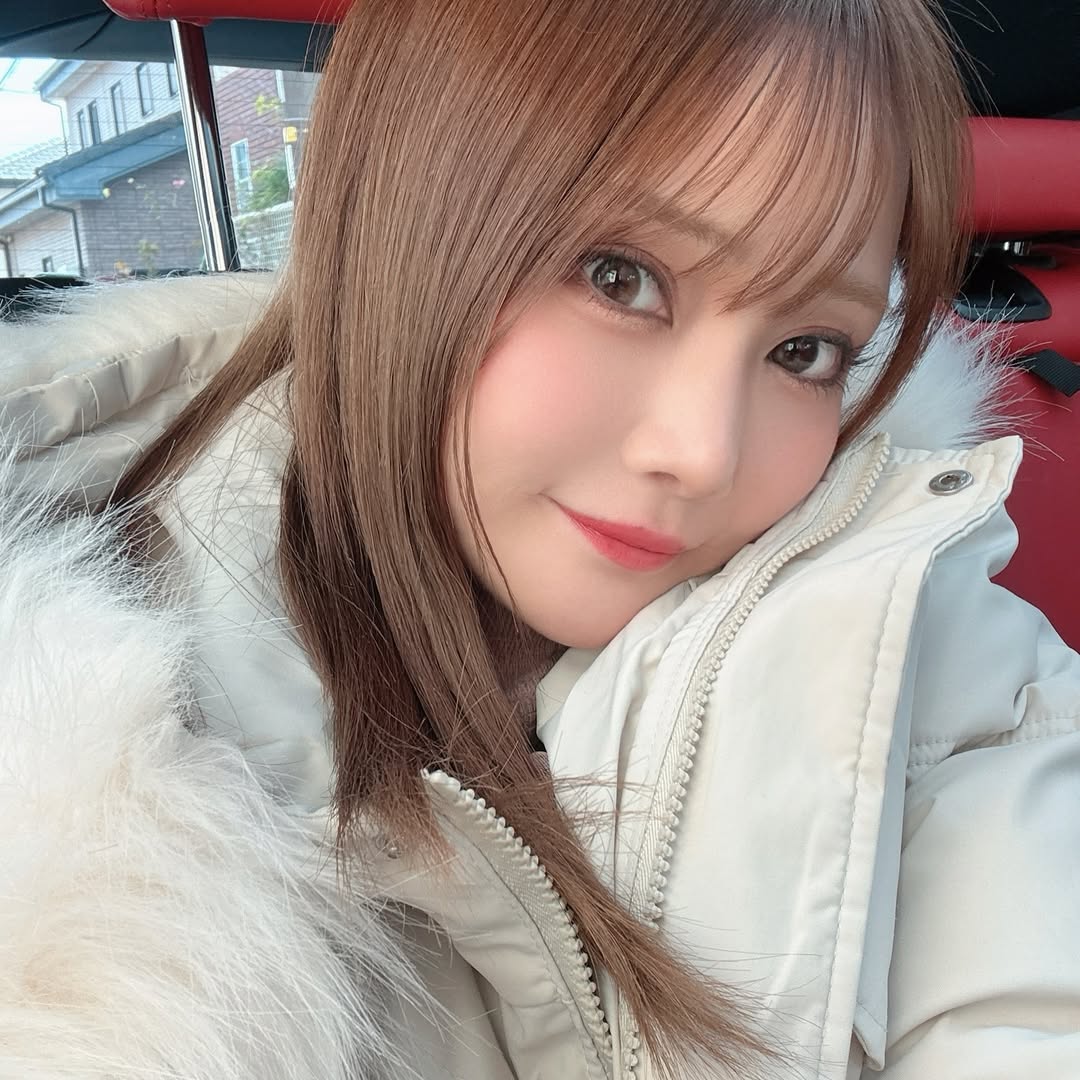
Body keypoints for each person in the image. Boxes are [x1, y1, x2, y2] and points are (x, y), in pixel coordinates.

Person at [1, 0, 1078, 1077]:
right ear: (395, 215)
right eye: (621, 279)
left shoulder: (918, 632)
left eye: (805, 351)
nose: (705, 455)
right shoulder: (69, 790)